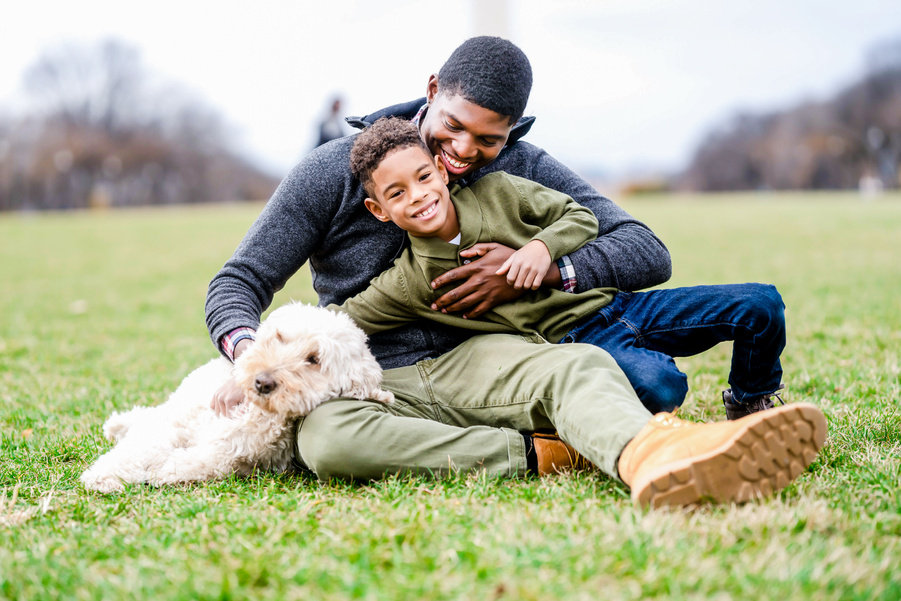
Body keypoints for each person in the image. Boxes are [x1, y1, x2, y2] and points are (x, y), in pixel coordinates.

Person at [205, 37, 824, 507]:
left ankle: (662, 454)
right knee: (327, 443)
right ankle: (546, 453)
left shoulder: (520, 170)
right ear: (431, 91)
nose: (462, 152)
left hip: (486, 354)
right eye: (452, 125)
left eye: (488, 139)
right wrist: (246, 358)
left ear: (512, 133)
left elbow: (642, 247)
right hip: (372, 372)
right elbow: (238, 284)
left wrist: (545, 267)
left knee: (583, 367)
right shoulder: (331, 171)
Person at [335, 117, 788, 420]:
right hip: (574, 344)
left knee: (761, 304)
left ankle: (749, 404)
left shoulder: (501, 191)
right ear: (379, 210)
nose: (416, 195)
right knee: (661, 384)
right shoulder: (411, 281)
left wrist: (539, 249)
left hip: (619, 306)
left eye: (421, 178)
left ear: (440, 169)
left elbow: (582, 217)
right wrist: (272, 349)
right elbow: (341, 321)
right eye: (396, 194)